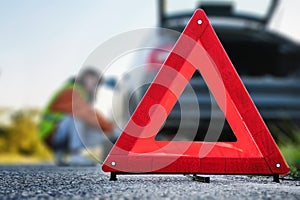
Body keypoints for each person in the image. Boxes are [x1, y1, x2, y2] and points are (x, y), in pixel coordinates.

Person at [38, 67, 114, 166]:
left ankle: (60, 152)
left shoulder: (79, 92)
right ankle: (75, 155)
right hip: (51, 134)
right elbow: (87, 113)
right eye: (92, 80)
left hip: (53, 132)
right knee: (78, 118)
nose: (95, 85)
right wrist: (112, 128)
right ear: (83, 79)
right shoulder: (72, 90)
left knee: (96, 131)